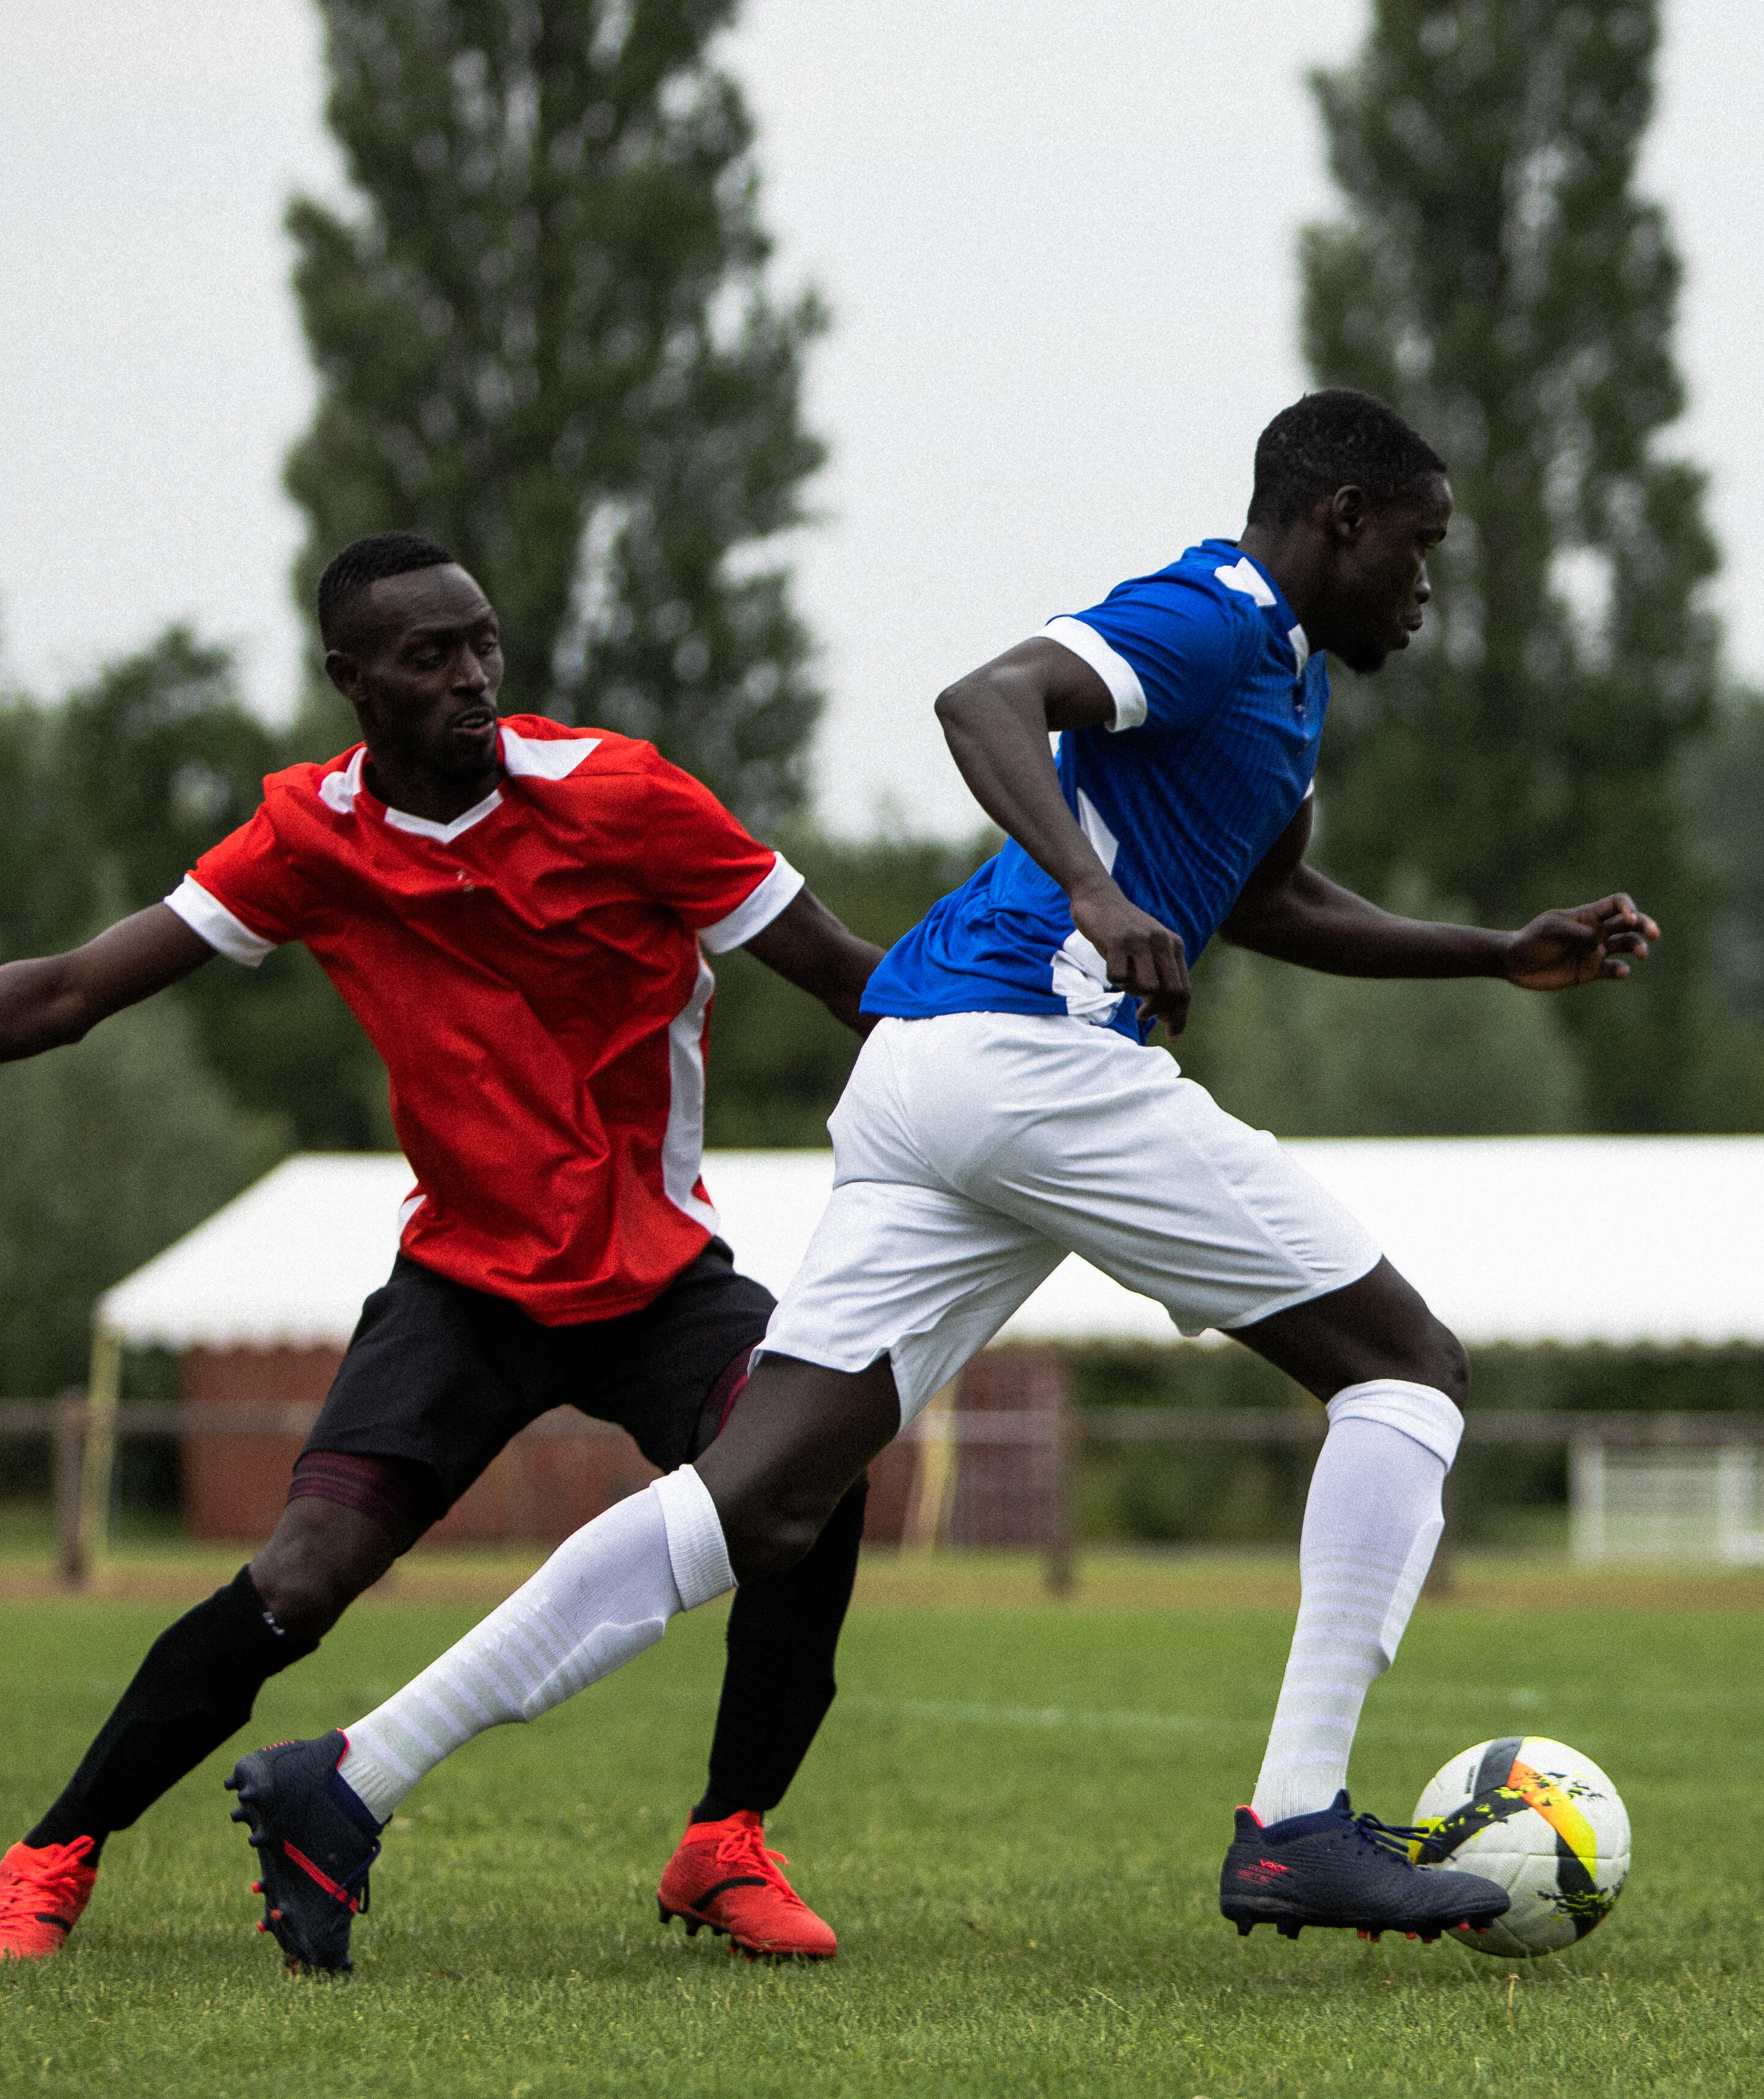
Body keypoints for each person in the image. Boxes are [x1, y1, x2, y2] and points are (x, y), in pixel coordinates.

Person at [224, 392, 1661, 1973]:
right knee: (1404, 1369)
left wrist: (1489, 952)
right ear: (1337, 522)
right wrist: (1097, 895)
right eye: (1418, 548)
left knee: (754, 1498)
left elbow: (1270, 895)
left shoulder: (1287, 684)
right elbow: (984, 699)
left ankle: (347, 1780)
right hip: (1030, 1056)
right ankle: (1296, 1819)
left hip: (925, 1072)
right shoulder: (1210, 613)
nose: (1424, 588)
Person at [0, 533, 884, 1968]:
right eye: (428, 655)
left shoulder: (625, 795)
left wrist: (1034, 1054)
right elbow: (75, 988)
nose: (471, 678)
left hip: (656, 1274)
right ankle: (52, 1853)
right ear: (349, 680)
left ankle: (724, 1841)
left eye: (483, 644)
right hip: (462, 1289)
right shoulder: (309, 837)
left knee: (810, 1476)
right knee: (298, 1581)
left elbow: (848, 981)